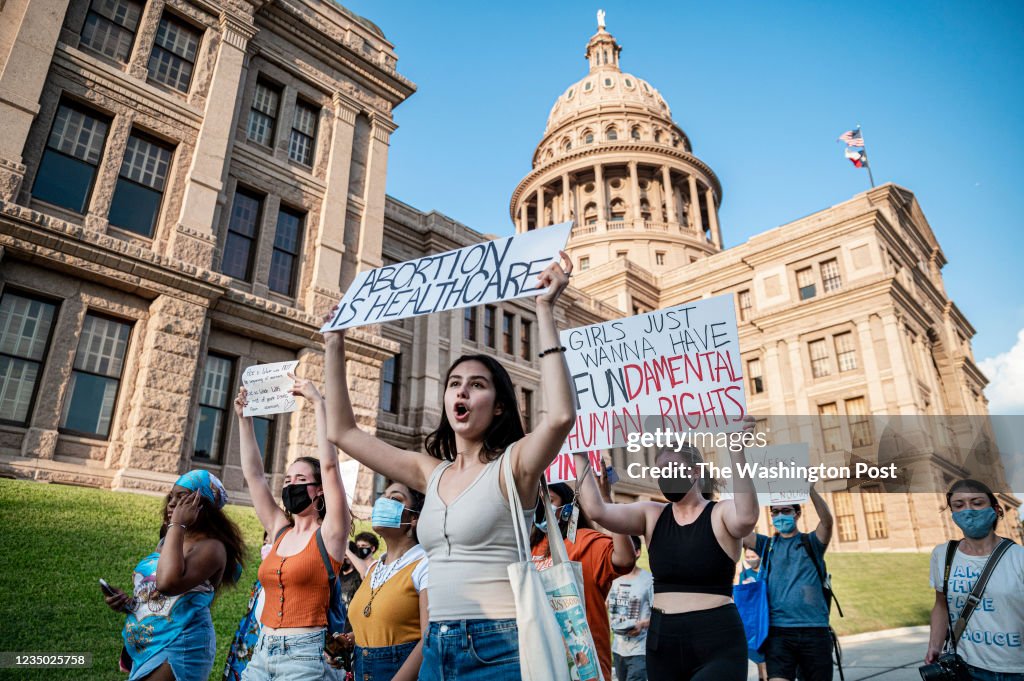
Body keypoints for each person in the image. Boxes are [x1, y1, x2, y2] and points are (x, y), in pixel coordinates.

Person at [324, 251, 575, 680]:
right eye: (454, 384)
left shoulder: (514, 466)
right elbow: (344, 432)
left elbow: (560, 418)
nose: (462, 391)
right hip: (437, 643)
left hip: (500, 643)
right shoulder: (430, 471)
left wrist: (545, 311)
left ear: (497, 407)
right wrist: (334, 343)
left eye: (477, 385)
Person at [572, 433, 760, 681]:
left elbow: (746, 518)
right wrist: (580, 452)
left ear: (694, 472)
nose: (666, 476)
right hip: (664, 642)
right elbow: (598, 511)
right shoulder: (652, 514)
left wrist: (737, 451)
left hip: (716, 639)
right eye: (660, 471)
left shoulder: (720, 512)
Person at [235, 375, 351, 681]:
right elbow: (255, 476)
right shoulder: (280, 531)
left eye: (301, 480)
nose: (291, 486)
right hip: (262, 650)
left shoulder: (330, 535)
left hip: (304, 654)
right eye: (287, 481)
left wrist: (318, 403)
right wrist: (244, 420)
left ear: (319, 490)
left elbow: (329, 467)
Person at [104, 470, 245, 681]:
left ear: (202, 505)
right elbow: (162, 597)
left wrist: (177, 525)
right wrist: (130, 604)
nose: (172, 504)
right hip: (154, 639)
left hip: (182, 643)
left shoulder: (212, 548)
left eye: (183, 498)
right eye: (172, 497)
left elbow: (168, 583)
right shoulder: (167, 542)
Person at [530, 481, 635, 681]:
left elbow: (625, 559)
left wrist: (608, 505)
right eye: (538, 501)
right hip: (544, 657)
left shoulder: (585, 540)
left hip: (584, 661)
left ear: (568, 508)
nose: (542, 506)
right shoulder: (532, 547)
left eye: (549, 500)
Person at [925, 479, 1024, 680]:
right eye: (959, 505)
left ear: (996, 509)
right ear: (952, 514)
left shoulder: (1018, 557)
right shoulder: (942, 554)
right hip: (966, 667)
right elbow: (941, 604)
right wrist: (934, 645)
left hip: (1016, 669)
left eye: (977, 503)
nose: (968, 510)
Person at [742, 485, 835, 681]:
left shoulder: (812, 543)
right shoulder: (766, 545)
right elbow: (737, 529)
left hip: (814, 630)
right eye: (775, 512)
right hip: (779, 633)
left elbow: (826, 522)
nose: (780, 516)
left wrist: (810, 489)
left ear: (797, 513)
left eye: (786, 511)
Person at [344, 482, 429, 681]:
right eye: (383, 496)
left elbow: (429, 639)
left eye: (395, 499)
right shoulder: (374, 568)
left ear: (414, 518)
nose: (383, 502)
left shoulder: (425, 565)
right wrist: (350, 640)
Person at [223, 535, 273, 681]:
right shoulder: (260, 580)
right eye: (265, 541)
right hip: (245, 639)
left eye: (270, 541)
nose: (266, 545)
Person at [606, 536, 653, 681]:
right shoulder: (613, 578)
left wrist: (642, 624)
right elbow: (606, 604)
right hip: (617, 649)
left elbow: (660, 614)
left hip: (639, 651)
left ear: (637, 552)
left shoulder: (648, 580)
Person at [737, 547, 768, 681]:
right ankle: (762, 676)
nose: (750, 560)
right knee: (758, 659)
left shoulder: (766, 572)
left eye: (753, 556)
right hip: (752, 620)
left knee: (765, 660)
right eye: (747, 557)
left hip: (765, 617)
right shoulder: (745, 574)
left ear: (760, 556)